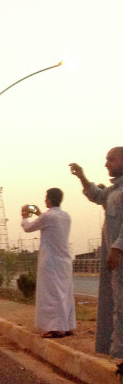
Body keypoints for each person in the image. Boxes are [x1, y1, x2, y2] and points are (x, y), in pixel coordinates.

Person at [70, 147, 123, 357]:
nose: (107, 164)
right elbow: (96, 195)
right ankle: (118, 353)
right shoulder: (113, 191)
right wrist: (82, 176)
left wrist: (117, 247)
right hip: (115, 261)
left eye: (112, 159)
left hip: (118, 256)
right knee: (116, 305)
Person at [20, 188, 75, 338]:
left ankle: (56, 328)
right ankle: (67, 326)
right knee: (65, 294)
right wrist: (40, 214)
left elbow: (28, 228)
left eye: (46, 198)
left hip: (50, 261)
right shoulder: (65, 216)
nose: (45, 201)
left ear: (49, 200)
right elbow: (49, 223)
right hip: (65, 260)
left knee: (51, 295)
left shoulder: (47, 217)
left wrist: (25, 217)